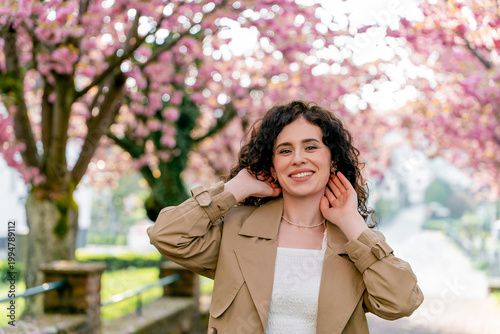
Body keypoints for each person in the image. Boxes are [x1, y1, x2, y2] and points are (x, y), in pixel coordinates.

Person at [148, 100, 424, 334]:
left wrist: (351, 221)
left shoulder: (355, 243)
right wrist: (235, 188)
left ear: (334, 161)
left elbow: (401, 302)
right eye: (285, 150)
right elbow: (167, 235)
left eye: (311, 147)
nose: (298, 158)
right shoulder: (235, 230)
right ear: (273, 164)